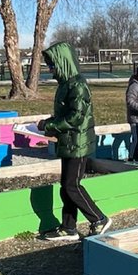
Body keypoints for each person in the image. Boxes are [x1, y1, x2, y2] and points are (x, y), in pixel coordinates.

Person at [35, 43, 110, 241]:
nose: (50, 70)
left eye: (52, 66)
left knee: (72, 185)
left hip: (78, 143)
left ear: (63, 63)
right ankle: (68, 227)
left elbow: (75, 118)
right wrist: (49, 123)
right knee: (65, 185)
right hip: (68, 142)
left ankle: (98, 218)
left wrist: (49, 126)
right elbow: (65, 114)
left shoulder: (78, 85)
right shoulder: (65, 84)